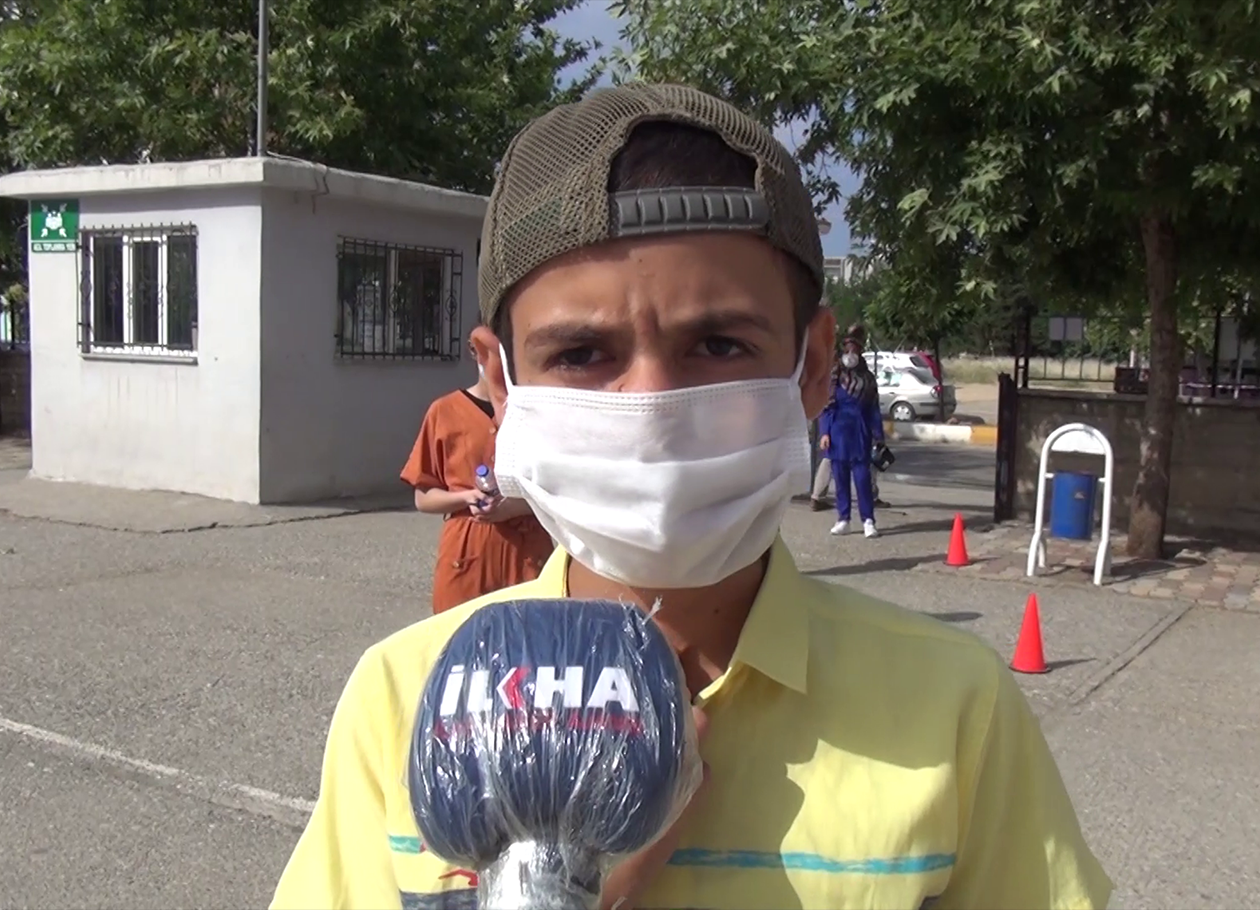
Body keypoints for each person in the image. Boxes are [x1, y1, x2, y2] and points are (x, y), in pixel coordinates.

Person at [272, 83, 1112, 910]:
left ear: (814, 366)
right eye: (581, 354)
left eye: (718, 344)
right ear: (500, 379)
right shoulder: (405, 700)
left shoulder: (956, 711)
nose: (652, 408)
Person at [399, 343, 555, 614]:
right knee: (459, 631)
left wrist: (515, 507)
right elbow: (423, 498)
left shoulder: (535, 414)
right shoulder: (444, 412)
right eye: (492, 352)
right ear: (474, 352)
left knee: (529, 634)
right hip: (467, 553)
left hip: (528, 552)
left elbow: (559, 490)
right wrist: (466, 497)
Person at [818, 326, 885, 538]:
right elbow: (827, 408)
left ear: (860, 353)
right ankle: (843, 519)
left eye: (854, 352)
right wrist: (825, 432)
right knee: (840, 478)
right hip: (838, 432)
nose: (850, 356)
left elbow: (874, 408)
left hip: (860, 431)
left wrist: (878, 434)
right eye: (847, 351)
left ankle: (868, 520)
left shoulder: (868, 379)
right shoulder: (834, 377)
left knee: (862, 478)